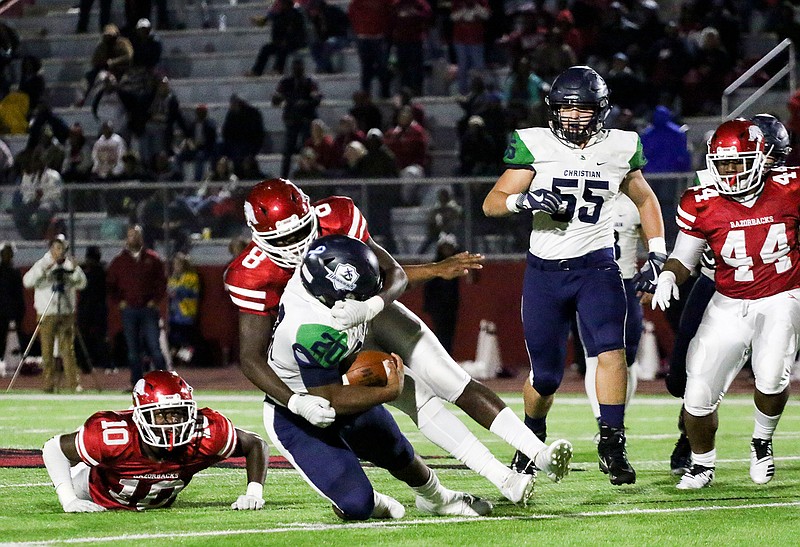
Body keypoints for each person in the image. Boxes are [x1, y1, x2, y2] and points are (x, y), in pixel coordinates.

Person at [224, 178, 573, 506]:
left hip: (374, 311)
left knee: (450, 379)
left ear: (311, 214)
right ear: (257, 235)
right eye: (283, 240)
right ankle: (503, 479)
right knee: (418, 400)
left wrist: (371, 305)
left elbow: (391, 272)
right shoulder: (250, 275)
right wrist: (295, 401)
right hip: (334, 342)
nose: (297, 245)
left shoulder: (338, 215)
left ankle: (537, 452)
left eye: (301, 232)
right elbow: (252, 358)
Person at [482, 65, 666, 486]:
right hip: (544, 272)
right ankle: (532, 435)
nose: (573, 117)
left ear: (600, 110)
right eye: (565, 109)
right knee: (545, 376)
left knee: (610, 350)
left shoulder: (622, 146)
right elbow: (493, 201)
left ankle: (612, 443)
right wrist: (524, 201)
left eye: (583, 109)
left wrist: (658, 253)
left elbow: (646, 199)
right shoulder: (534, 143)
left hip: (598, 266)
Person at [263, 234, 492, 519]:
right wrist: (389, 391)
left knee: (397, 452)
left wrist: (431, 271)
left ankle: (438, 498)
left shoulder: (318, 281)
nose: (366, 299)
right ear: (333, 291)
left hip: (337, 381)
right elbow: (328, 398)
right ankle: (367, 498)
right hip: (299, 412)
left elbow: (393, 281)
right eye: (358, 295)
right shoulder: (312, 327)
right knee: (357, 506)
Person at [652, 118, 800, 489]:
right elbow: (684, 257)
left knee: (770, 376)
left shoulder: (791, 188)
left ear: (763, 158)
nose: (731, 171)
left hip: (781, 295)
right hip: (728, 298)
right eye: (723, 164)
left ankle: (761, 442)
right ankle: (701, 464)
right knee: (697, 391)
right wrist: (669, 275)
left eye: (738, 162)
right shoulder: (700, 201)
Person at [41, 370, 268, 512]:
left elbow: (255, 444)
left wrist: (253, 493)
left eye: (177, 413)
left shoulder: (205, 433)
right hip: (93, 490)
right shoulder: (114, 435)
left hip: (155, 499)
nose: (171, 423)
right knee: (85, 451)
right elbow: (53, 448)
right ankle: (82, 463)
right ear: (139, 414)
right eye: (161, 414)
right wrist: (68, 500)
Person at [582, 192, 643, 431]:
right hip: (592, 284)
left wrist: (654, 272)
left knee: (628, 358)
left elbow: (652, 241)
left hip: (626, 284)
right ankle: (603, 421)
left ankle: (616, 421)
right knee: (594, 357)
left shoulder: (636, 202)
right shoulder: (584, 195)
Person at [22, 235, 87, 393]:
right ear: (51, 249)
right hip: (47, 312)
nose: (60, 252)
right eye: (57, 248)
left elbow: (82, 283)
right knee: (47, 350)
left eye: (62, 248)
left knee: (68, 350)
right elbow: (27, 281)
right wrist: (45, 270)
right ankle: (48, 384)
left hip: (65, 312)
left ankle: (73, 383)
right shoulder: (42, 263)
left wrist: (73, 270)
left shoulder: (69, 264)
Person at [106, 225, 168, 390]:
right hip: (129, 310)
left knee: (155, 347)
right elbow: (110, 285)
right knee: (133, 350)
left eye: (136, 235)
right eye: (130, 235)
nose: (133, 238)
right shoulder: (119, 261)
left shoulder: (153, 259)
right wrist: (119, 301)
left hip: (148, 309)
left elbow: (162, 282)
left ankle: (166, 383)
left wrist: (155, 300)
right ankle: (137, 385)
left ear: (142, 238)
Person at [272, 59, 322, 178]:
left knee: (308, 149)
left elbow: (317, 99)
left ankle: (309, 174)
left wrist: (304, 103)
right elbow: (276, 100)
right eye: (295, 66)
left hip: (306, 119)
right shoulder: (286, 82)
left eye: (299, 66)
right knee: (288, 151)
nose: (297, 69)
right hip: (292, 120)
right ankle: (283, 178)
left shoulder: (309, 82)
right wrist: (283, 98)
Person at [77, 246, 110, 372]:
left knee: (87, 337)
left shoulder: (89, 272)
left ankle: (85, 364)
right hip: (98, 308)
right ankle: (105, 363)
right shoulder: (101, 270)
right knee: (100, 336)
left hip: (88, 308)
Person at [0, 242, 25, 374]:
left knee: (12, 343)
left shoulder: (15, 273)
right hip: (10, 313)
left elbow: (18, 295)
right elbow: (18, 295)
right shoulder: (14, 273)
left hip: (11, 313)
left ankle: (12, 366)